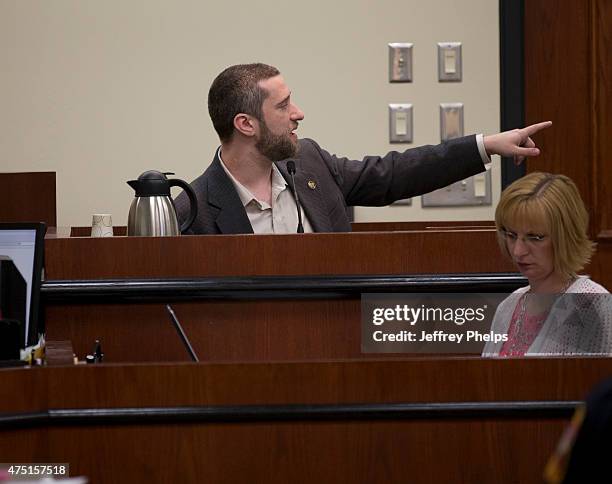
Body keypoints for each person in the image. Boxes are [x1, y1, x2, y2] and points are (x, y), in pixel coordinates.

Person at [175, 62, 552, 234]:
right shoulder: (193, 212)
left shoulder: (310, 163)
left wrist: (485, 145)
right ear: (246, 124)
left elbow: (394, 174)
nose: (298, 113)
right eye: (283, 105)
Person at [482, 172, 610, 357]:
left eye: (535, 237)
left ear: (565, 237)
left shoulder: (592, 304)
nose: (518, 251)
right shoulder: (508, 306)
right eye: (511, 235)